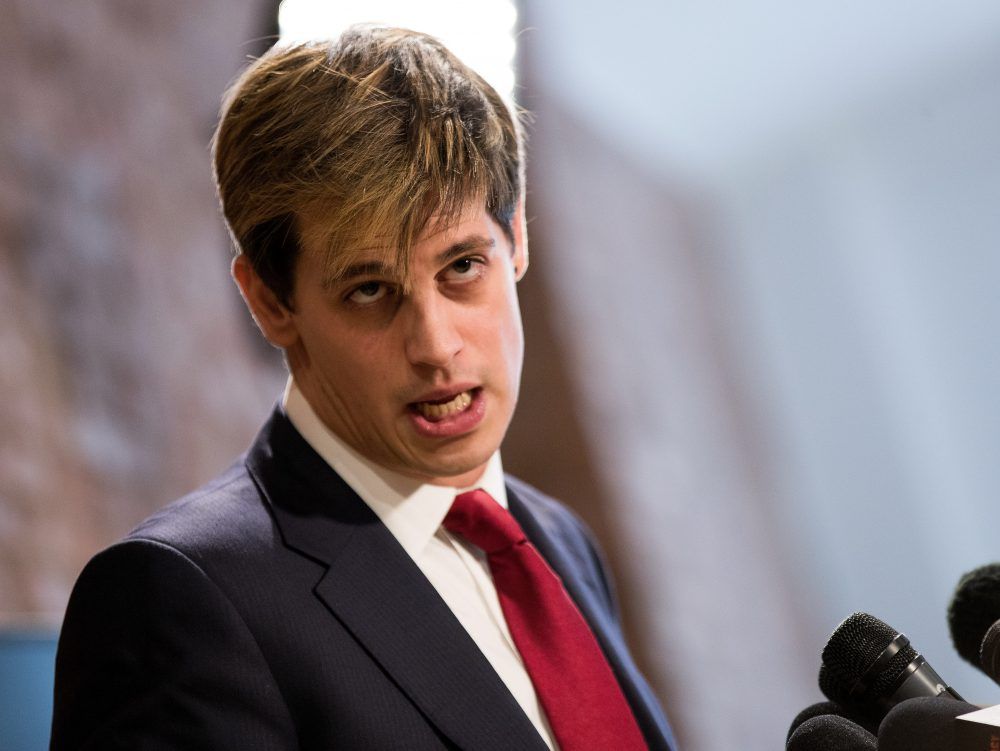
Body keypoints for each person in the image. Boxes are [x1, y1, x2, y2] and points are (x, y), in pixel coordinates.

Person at [50, 25, 677, 750]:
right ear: (270, 303)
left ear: (517, 238)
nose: (437, 346)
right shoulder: (180, 600)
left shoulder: (561, 542)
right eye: (370, 289)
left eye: (462, 267)